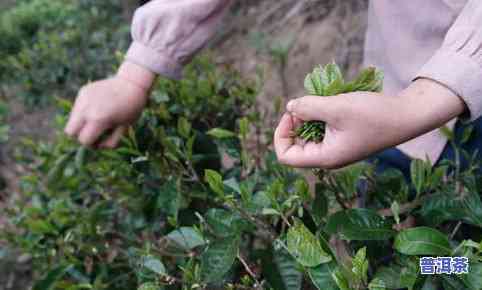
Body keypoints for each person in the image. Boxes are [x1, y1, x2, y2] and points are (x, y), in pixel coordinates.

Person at [65, 0, 482, 175]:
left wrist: (414, 107)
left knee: (462, 258)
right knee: (398, 249)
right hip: (396, 100)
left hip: (416, 112)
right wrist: (140, 68)